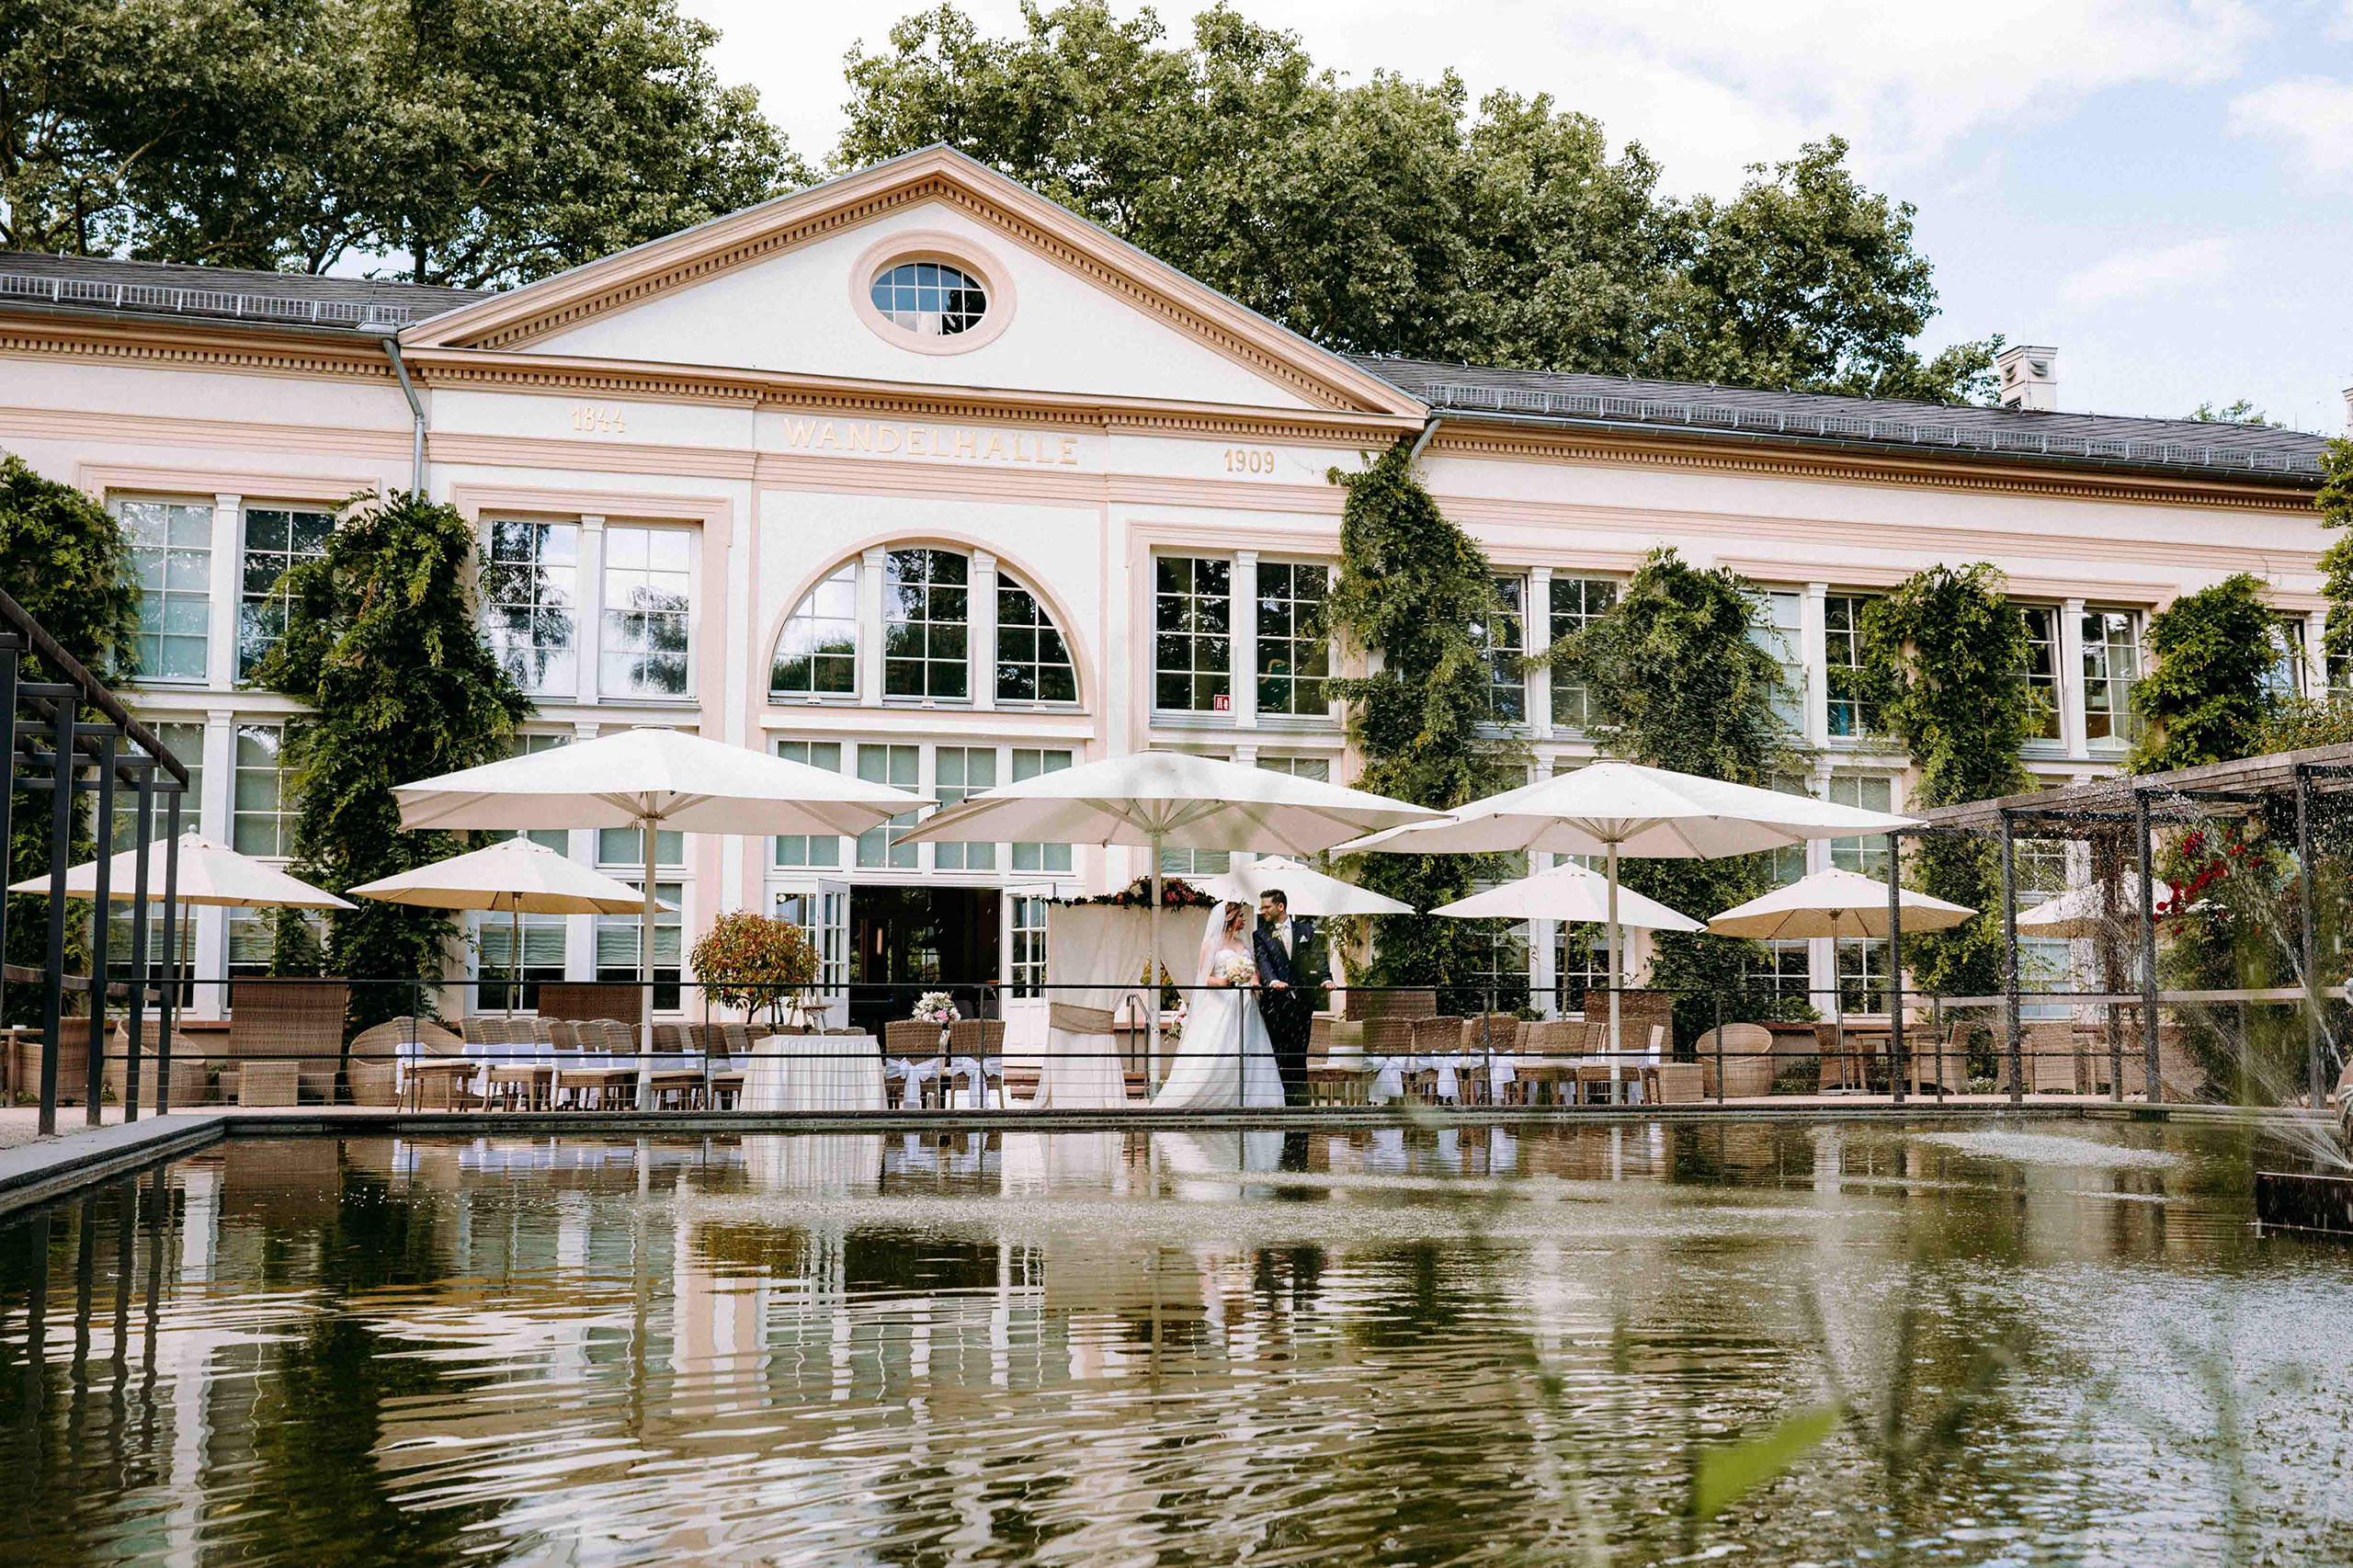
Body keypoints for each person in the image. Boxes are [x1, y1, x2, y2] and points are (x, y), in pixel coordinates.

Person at [1154, 900, 1285, 1110]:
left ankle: (1248, 1099)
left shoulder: (1243, 944)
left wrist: (1254, 982)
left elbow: (1253, 971)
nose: (1243, 919)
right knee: (1221, 1047)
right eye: (1240, 916)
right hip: (1222, 1003)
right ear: (1229, 918)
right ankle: (1211, 1094)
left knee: (1247, 1047)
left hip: (1246, 1005)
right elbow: (1203, 977)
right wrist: (1223, 982)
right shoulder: (1210, 945)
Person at [1252, 889, 1324, 1107]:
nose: (1262, 911)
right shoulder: (1261, 935)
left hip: (1302, 1003)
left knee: (1299, 1052)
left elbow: (1318, 958)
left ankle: (1300, 1104)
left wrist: (1326, 978)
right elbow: (1263, 960)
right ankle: (1281, 1101)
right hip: (1276, 1003)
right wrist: (1272, 980)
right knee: (1278, 1053)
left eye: (1266, 907)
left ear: (1280, 907)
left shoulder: (1305, 930)